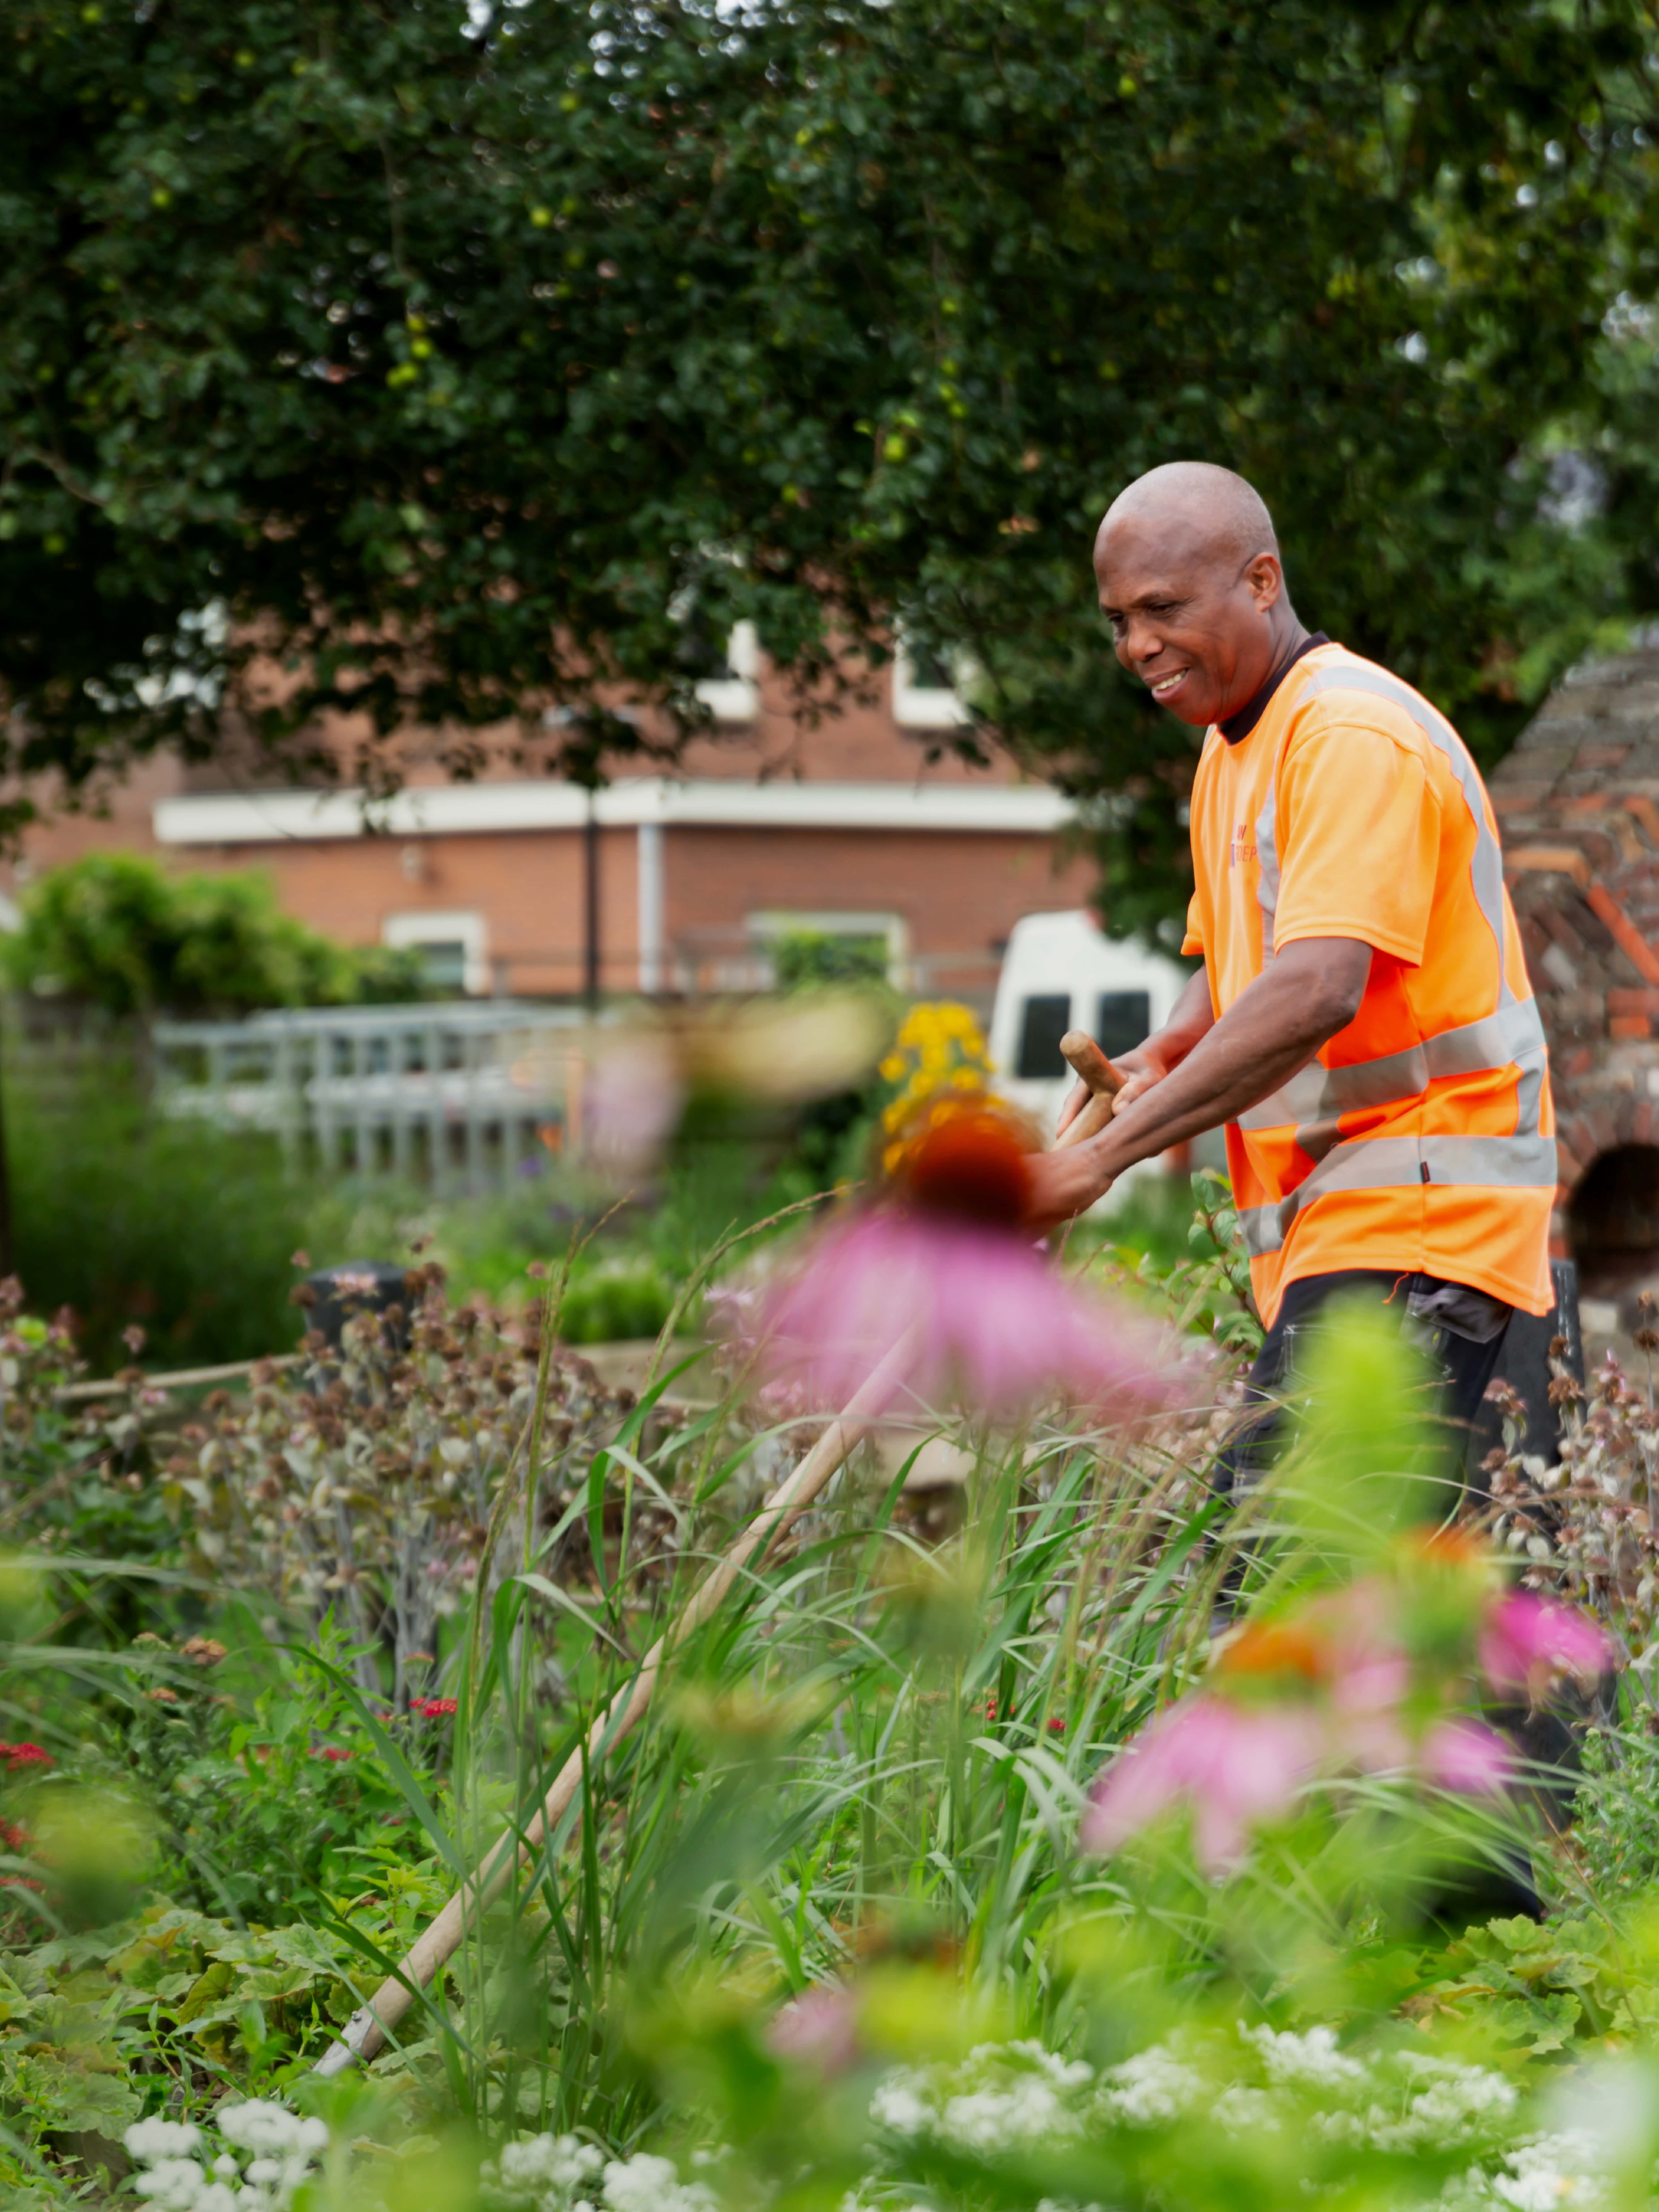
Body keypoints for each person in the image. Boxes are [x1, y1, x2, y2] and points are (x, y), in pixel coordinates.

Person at [1022, 461, 1557, 1494]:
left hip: (1422, 1206)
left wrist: (1104, 1160)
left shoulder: (1348, 734)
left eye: (1162, 609)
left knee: (1268, 1578)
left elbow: (1315, 986)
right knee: (1383, 1604)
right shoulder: (1234, 750)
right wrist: (1167, 1047)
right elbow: (1246, 964)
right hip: (1355, 1216)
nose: (1136, 645)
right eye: (1120, 619)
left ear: (1262, 581)